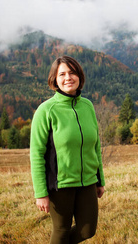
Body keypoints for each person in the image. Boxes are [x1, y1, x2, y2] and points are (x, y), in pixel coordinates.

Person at [30, 55, 105, 243]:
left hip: (87, 181)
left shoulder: (87, 106)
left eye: (72, 73)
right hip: (60, 184)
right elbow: (37, 154)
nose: (67, 77)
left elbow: (95, 146)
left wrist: (99, 179)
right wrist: (41, 193)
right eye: (62, 74)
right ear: (54, 80)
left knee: (88, 230)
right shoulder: (46, 110)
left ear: (79, 76)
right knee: (61, 231)